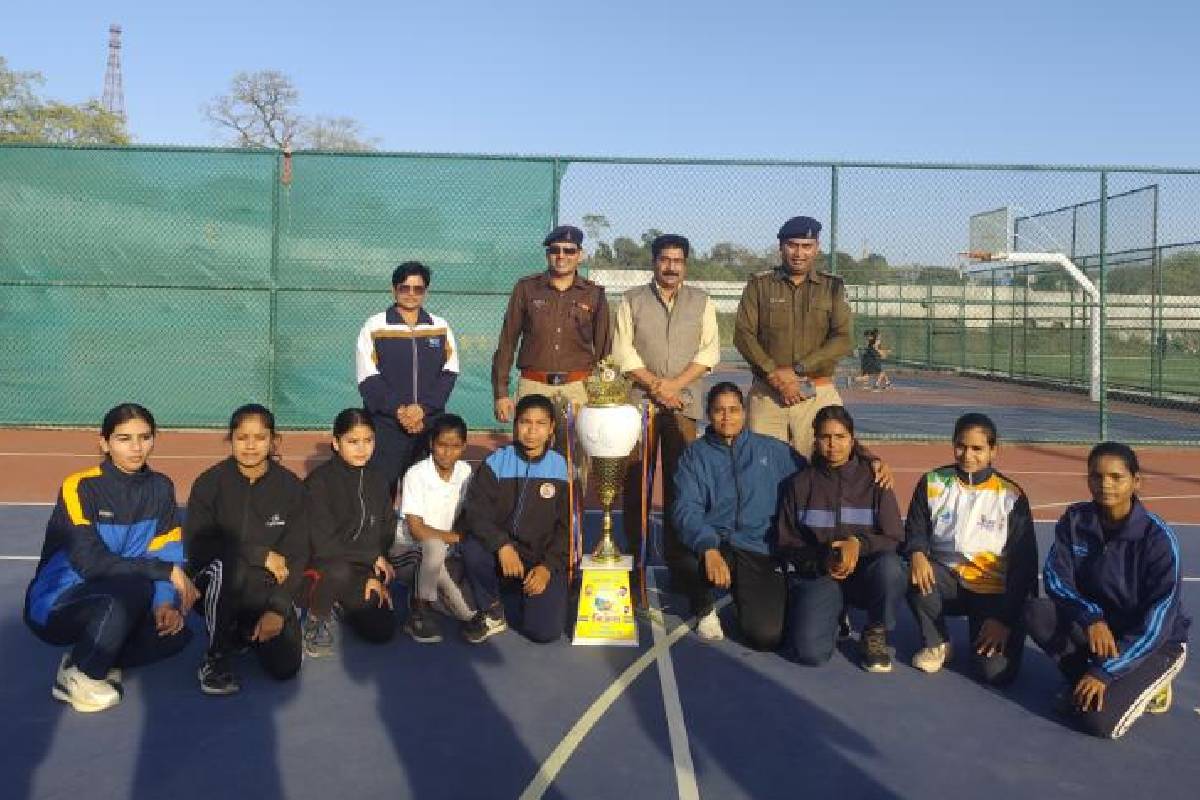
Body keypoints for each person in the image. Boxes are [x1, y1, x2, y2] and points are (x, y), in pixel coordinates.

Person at [24, 403, 198, 713]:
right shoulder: (80, 487)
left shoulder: (160, 488)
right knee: (131, 589)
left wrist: (164, 603)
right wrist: (164, 571)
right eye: (123, 438)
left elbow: (165, 550)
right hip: (58, 601)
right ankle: (80, 676)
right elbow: (90, 562)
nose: (136, 447)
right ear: (104, 443)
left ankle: (95, 651)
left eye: (145, 437)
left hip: (124, 589)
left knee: (176, 635)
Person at [1024, 442, 1190, 739]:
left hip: (1154, 641)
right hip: (1101, 629)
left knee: (1098, 723)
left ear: (1136, 481)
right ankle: (1083, 681)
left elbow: (1159, 620)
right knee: (1038, 612)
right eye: (1097, 476)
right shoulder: (1075, 520)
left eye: (1116, 477)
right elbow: (1055, 578)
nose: (1105, 485)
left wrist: (1104, 671)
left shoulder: (1158, 539)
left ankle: (1149, 681)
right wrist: (1092, 618)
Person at [610, 233, 720, 599]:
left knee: (681, 489)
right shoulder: (631, 300)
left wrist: (674, 386)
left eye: (677, 260)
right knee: (634, 487)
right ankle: (634, 562)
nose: (670, 267)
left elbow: (709, 352)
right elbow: (622, 351)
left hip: (683, 406)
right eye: (664, 259)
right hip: (637, 404)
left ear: (685, 264)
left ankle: (679, 564)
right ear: (654, 262)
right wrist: (656, 385)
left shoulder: (701, 302)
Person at [903, 413, 1037, 684]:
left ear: (993, 451)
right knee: (908, 570)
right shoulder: (932, 483)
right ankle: (937, 641)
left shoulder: (1011, 496)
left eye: (978, 449)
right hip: (947, 581)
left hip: (993, 594)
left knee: (994, 673)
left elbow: (1025, 566)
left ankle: (1006, 630)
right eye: (961, 446)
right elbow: (916, 530)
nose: (968, 455)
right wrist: (916, 552)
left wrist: (1004, 618)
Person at [672, 382, 807, 648]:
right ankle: (705, 607)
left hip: (758, 547)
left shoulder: (772, 450)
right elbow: (686, 508)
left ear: (744, 413)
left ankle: (753, 591)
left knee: (765, 637)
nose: (726, 417)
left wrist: (867, 458)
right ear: (709, 414)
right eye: (719, 410)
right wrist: (708, 548)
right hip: (717, 543)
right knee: (686, 555)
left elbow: (816, 476)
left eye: (733, 410)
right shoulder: (694, 456)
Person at [185, 404, 307, 695]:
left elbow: (299, 552)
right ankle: (215, 656)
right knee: (233, 568)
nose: (250, 446)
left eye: (260, 437)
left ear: (273, 441)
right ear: (231, 439)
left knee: (284, 668)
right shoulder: (209, 483)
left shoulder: (291, 488)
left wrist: (277, 609)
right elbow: (198, 546)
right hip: (217, 580)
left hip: (264, 589)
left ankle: (242, 628)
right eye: (242, 438)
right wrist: (259, 553)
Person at [775, 406, 907, 672]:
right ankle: (835, 613)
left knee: (891, 568)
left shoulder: (875, 480)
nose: (833, 445)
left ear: (853, 439)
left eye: (840, 437)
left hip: (865, 573)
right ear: (815, 440)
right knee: (810, 653)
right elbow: (787, 543)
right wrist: (824, 559)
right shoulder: (799, 484)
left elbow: (894, 536)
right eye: (825, 437)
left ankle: (875, 631)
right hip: (821, 574)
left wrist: (858, 544)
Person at [733, 216, 852, 457]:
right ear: (781, 247)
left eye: (806, 246)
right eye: (792, 245)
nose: (799, 253)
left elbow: (843, 338)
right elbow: (743, 334)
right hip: (768, 394)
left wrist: (797, 370)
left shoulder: (833, 287)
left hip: (816, 394)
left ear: (816, 248)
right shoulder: (759, 285)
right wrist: (774, 375)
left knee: (819, 469)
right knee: (761, 469)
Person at [461, 394, 570, 644]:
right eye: (525, 422)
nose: (532, 431)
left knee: (544, 632)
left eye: (540, 424)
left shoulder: (561, 468)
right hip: (502, 553)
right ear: (515, 425)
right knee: (473, 548)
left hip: (539, 558)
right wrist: (502, 545)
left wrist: (547, 567)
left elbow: (567, 528)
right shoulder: (496, 462)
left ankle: (528, 591)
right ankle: (492, 609)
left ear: (551, 428)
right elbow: (476, 514)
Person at [491, 225, 612, 443]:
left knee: (575, 462)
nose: (561, 256)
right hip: (533, 386)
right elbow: (507, 342)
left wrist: (603, 398)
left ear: (580, 255)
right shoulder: (526, 289)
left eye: (569, 250)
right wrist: (501, 393)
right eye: (555, 250)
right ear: (548, 254)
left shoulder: (594, 294)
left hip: (578, 390)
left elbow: (605, 351)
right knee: (529, 455)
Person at [356, 261, 460, 498]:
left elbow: (449, 373)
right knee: (382, 491)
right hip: (388, 425)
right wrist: (400, 411)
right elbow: (367, 376)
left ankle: (421, 536)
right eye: (405, 288)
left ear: (426, 292)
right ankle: (382, 535)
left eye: (418, 289)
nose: (411, 294)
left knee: (424, 493)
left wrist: (422, 410)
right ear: (394, 290)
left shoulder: (440, 327)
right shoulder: (374, 325)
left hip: (427, 423)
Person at [302, 409, 398, 657]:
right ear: (336, 443)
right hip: (321, 565)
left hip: (358, 566)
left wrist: (373, 573)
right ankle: (315, 616)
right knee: (337, 571)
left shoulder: (378, 480)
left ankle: (342, 602)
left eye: (368, 441)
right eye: (352, 441)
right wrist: (369, 558)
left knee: (382, 629)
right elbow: (323, 543)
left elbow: (386, 529)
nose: (361, 448)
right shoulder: (319, 482)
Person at [394, 413, 476, 643]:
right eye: (441, 445)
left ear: (464, 446)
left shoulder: (466, 472)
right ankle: (419, 612)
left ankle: (428, 596)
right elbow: (417, 529)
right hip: (407, 551)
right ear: (431, 443)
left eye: (455, 446)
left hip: (446, 550)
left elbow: (469, 515)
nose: (447, 452)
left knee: (463, 607)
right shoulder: (416, 474)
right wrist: (455, 537)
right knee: (436, 551)